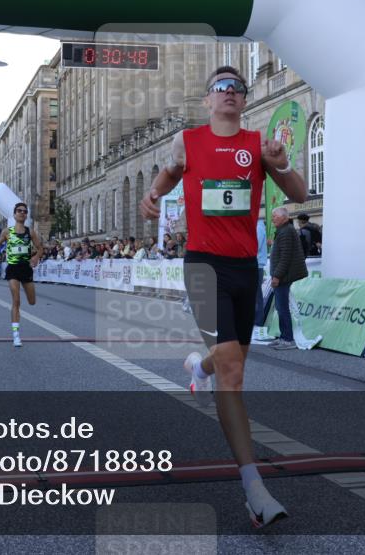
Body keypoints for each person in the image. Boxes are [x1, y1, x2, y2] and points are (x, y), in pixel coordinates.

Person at [140, 66, 306, 528]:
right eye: (221, 87)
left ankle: (199, 367)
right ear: (207, 99)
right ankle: (254, 488)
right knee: (233, 371)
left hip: (244, 268)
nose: (230, 93)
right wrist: (153, 193)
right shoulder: (187, 142)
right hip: (202, 264)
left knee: (230, 362)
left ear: (244, 100)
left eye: (237, 88)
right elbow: (170, 174)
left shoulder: (258, 145)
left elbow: (299, 193)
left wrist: (281, 162)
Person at [0, 202, 41, 348]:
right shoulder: (7, 232)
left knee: (32, 301)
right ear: (15, 215)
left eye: (24, 211)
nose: (22, 213)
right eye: (19, 211)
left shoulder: (31, 232)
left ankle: (16, 333)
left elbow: (40, 248)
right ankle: (16, 335)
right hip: (13, 269)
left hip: (26, 269)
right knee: (16, 301)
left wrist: (35, 257)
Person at [269, 207, 308, 350]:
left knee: (282, 307)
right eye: (272, 216)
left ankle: (287, 339)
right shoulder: (285, 230)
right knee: (281, 307)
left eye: (275, 216)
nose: (272, 218)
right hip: (283, 275)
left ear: (284, 218)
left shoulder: (286, 231)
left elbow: (285, 257)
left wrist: (277, 276)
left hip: (284, 276)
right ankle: (284, 336)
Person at [251, 211, 270, 342]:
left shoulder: (258, 227)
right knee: (253, 295)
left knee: (256, 295)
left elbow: (254, 246)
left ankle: (258, 323)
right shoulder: (257, 226)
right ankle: (254, 322)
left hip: (256, 264)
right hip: (255, 264)